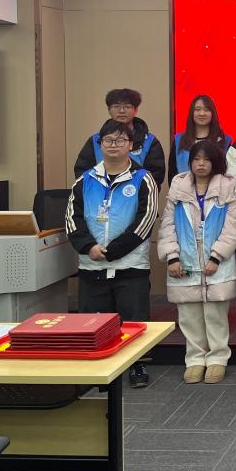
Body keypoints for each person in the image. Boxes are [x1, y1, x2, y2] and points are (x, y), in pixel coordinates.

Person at [65, 119, 159, 388]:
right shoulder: (84, 180)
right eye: (108, 140)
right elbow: (72, 219)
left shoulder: (143, 178)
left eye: (120, 140)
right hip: (92, 264)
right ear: (100, 144)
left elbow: (146, 219)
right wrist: (89, 247)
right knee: (93, 322)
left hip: (131, 264)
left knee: (134, 321)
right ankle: (97, 369)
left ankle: (137, 366)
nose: (114, 145)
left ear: (130, 145)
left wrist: (114, 251)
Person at [157, 140, 236, 384]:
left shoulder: (227, 187)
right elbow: (167, 226)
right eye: (196, 159)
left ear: (215, 162)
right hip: (184, 261)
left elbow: (233, 227)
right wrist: (172, 257)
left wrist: (217, 256)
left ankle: (217, 359)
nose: (201, 164)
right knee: (189, 315)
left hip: (217, 263)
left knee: (215, 315)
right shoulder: (178, 187)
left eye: (206, 159)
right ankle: (194, 359)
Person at [73, 88, 166, 187]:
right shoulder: (95, 140)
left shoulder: (149, 141)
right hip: (98, 194)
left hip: (135, 194)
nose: (121, 111)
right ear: (109, 110)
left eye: (127, 106)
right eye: (116, 106)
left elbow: (155, 177)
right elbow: (82, 173)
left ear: (136, 110)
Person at [169, 94, 229, 184]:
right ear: (192, 113)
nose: (202, 113)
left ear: (213, 113)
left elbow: (228, 173)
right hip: (183, 191)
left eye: (206, 110)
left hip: (217, 191)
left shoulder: (225, 141)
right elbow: (172, 174)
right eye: (197, 109)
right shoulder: (179, 140)